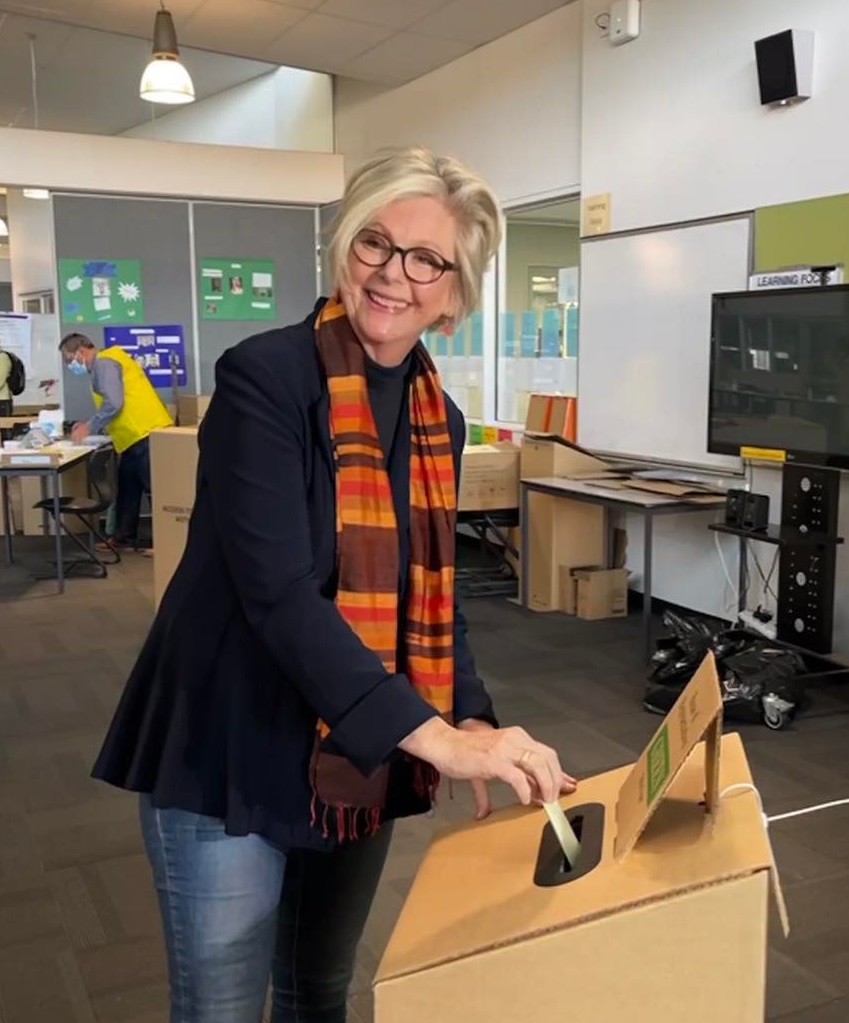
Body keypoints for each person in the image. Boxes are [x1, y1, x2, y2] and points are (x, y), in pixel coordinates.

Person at [91, 147, 577, 1023]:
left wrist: (469, 714)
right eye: (374, 244)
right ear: (344, 247)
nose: (393, 275)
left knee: (317, 988)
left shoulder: (440, 418)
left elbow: (434, 590)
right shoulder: (264, 379)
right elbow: (278, 593)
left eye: (426, 259)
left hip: (354, 744)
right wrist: (433, 738)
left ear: (455, 291)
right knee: (223, 1007)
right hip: (229, 740)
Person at [59, 333, 173, 552]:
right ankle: (124, 538)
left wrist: (89, 426)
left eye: (69, 359)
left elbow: (114, 402)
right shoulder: (106, 362)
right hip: (133, 436)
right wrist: (89, 424)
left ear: (81, 351)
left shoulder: (104, 362)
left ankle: (166, 542)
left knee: (154, 489)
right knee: (129, 489)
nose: (69, 365)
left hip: (144, 431)